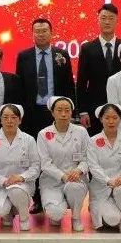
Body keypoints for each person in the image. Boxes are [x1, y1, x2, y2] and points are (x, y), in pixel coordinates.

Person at [0, 103, 40, 231]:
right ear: (0, 120)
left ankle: (24, 218)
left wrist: (21, 177)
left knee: (16, 191)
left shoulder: (29, 140)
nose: (9, 121)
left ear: (20, 120)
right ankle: (7, 213)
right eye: (5, 117)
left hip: (22, 185)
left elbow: (36, 167)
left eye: (13, 117)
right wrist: (3, 181)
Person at [36, 96, 90, 231]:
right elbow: (45, 163)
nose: (64, 114)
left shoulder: (81, 132)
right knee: (55, 214)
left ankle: (76, 217)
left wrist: (78, 171)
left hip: (76, 178)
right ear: (52, 112)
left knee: (74, 187)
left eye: (67, 110)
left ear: (71, 112)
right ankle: (57, 211)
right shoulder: (43, 134)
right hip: (51, 181)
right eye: (59, 110)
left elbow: (88, 158)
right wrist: (63, 176)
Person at [15, 18, 75, 137]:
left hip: (56, 111)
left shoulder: (62, 55)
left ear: (51, 33)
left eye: (44, 31)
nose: (41, 34)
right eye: (37, 31)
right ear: (33, 34)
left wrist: (72, 111)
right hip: (31, 111)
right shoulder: (24, 56)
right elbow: (19, 86)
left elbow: (69, 84)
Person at [77, 4, 121, 134]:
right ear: (98, 20)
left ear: (117, 20)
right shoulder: (87, 48)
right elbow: (82, 82)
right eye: (103, 18)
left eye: (111, 18)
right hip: (95, 108)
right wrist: (82, 111)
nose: (107, 22)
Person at [86, 103, 121, 233]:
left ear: (120, 118)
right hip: (101, 187)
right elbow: (93, 166)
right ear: (101, 119)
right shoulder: (93, 141)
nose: (111, 121)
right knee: (112, 219)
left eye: (115, 117)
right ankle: (102, 211)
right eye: (107, 118)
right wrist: (108, 180)